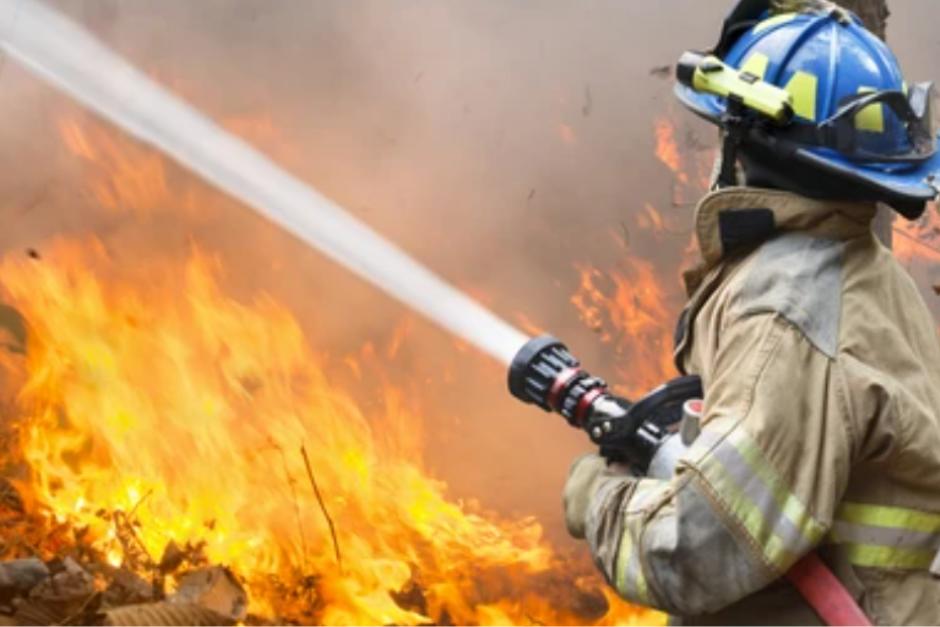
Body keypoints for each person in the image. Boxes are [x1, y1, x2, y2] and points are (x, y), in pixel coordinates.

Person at [562, 1, 940, 624]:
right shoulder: (865, 274)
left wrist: (596, 499)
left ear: (746, 144)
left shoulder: (786, 311)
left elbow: (700, 551)